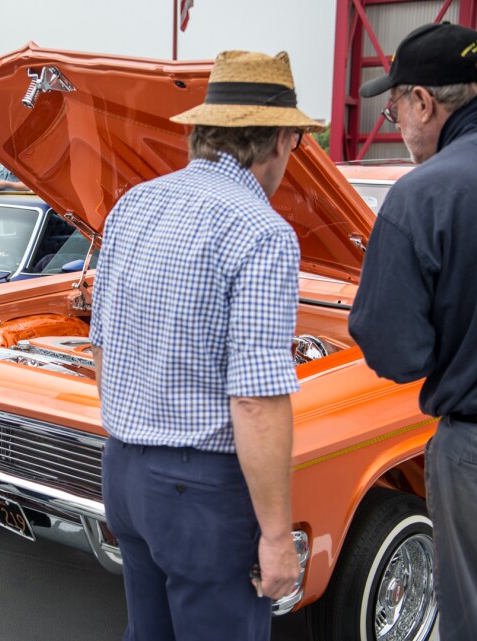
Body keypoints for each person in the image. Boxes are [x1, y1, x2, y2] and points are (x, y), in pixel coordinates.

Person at [90, 50, 321, 640]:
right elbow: (255, 398)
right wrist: (276, 536)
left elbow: (101, 347)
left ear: (200, 131)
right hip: (201, 492)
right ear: (277, 140)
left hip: (123, 468)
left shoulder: (133, 204)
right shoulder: (261, 230)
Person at [347, 23, 477, 641]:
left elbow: (396, 351)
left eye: (393, 107)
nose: (396, 122)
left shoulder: (425, 194)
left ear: (424, 101)